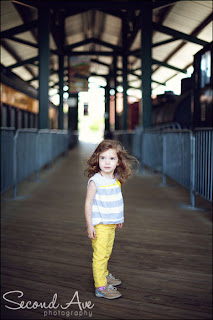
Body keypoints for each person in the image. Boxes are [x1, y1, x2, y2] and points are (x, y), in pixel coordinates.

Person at [84, 139, 138, 299]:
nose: (107, 162)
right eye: (103, 158)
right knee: (100, 255)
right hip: (99, 224)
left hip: (111, 223)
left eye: (112, 158)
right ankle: (100, 286)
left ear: (119, 161)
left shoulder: (116, 178)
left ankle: (105, 274)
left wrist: (118, 218)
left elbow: (116, 200)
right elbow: (88, 203)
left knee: (107, 252)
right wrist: (89, 225)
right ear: (97, 159)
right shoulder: (95, 181)